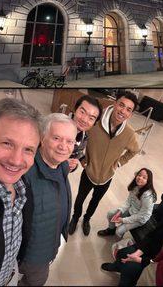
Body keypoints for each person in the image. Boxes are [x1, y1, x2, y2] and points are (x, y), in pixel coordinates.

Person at [69, 91, 141, 237]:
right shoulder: (95, 121)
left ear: (131, 114)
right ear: (115, 104)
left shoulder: (129, 133)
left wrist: (119, 163)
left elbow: (134, 151)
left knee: (95, 201)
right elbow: (81, 136)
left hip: (107, 176)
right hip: (89, 172)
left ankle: (87, 219)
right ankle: (75, 218)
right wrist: (83, 159)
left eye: (128, 109)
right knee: (80, 198)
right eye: (121, 105)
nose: (123, 111)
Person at [17, 114, 78, 286]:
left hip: (51, 244)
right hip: (33, 255)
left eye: (70, 141)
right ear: (42, 139)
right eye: (56, 138)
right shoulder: (24, 173)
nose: (63, 147)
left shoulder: (62, 165)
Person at [0, 98, 42, 286]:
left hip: (11, 277)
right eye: (7, 143)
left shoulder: (24, 187)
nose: (16, 160)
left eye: (28, 149)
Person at [101, 195, 163, 286]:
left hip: (157, 265)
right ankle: (117, 267)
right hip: (149, 250)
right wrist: (138, 252)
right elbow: (152, 236)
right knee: (122, 253)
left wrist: (140, 260)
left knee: (129, 269)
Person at [98, 168, 157, 239]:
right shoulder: (135, 187)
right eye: (139, 175)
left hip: (140, 218)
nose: (140, 178)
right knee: (110, 214)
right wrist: (120, 211)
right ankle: (111, 230)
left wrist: (123, 220)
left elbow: (142, 215)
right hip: (132, 210)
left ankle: (119, 244)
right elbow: (128, 201)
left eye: (144, 177)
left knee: (119, 231)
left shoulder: (148, 197)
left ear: (148, 181)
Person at [67, 95, 103, 172]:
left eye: (91, 118)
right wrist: (62, 164)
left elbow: (76, 156)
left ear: (94, 123)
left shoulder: (84, 137)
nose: (84, 120)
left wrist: (73, 166)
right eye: (82, 112)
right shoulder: (55, 125)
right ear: (75, 109)